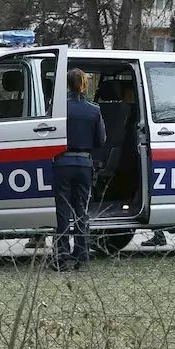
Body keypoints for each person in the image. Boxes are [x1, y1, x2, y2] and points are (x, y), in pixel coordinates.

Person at [53, 68, 106, 269]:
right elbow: (101, 140)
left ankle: (62, 256)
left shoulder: (59, 109)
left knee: (63, 211)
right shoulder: (94, 110)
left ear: (66, 84)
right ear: (84, 85)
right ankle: (82, 254)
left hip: (63, 162)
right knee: (81, 210)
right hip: (84, 162)